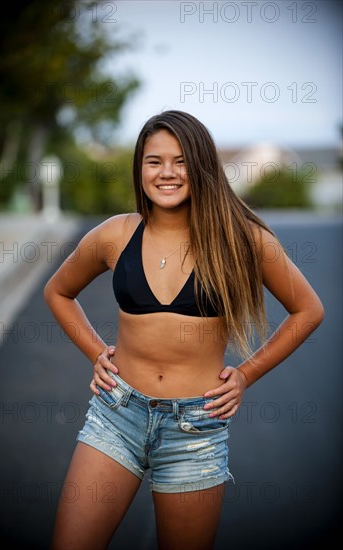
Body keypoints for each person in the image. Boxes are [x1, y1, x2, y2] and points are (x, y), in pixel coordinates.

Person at [44, 110, 325, 550]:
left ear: (202, 166)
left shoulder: (241, 239)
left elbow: (308, 310)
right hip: (117, 414)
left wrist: (246, 374)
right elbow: (58, 292)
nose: (167, 173)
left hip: (195, 428)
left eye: (181, 160)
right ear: (140, 169)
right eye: (154, 161)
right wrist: (96, 351)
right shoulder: (115, 234)